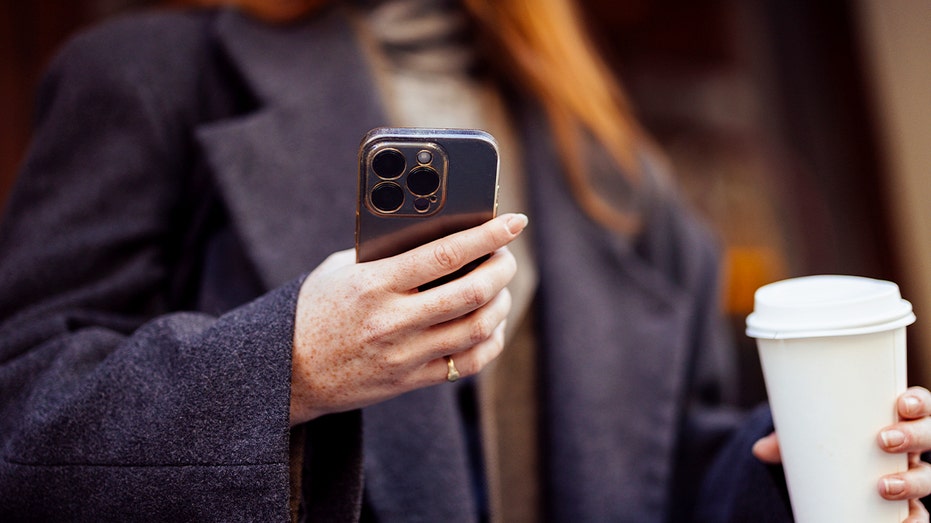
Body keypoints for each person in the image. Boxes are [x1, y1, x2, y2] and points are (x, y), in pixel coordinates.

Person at [0, 0, 929, 521]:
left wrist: (789, 463)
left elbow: (655, 472)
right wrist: (287, 363)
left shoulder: (613, 165)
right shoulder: (148, 76)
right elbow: (20, 407)